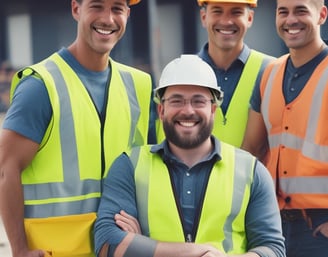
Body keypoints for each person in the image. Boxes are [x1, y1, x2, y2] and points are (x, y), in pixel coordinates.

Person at [0, 0, 152, 256]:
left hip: (119, 248)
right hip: (54, 251)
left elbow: (145, 169)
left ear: (128, 14)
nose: (108, 18)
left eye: (117, 8)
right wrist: (19, 249)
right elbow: (6, 169)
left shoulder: (138, 85)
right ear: (75, 9)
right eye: (97, 6)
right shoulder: (41, 85)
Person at [94, 54, 286, 257]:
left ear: (213, 109)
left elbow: (272, 249)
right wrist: (197, 252)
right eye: (177, 101)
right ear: (161, 110)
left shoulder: (250, 171)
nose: (188, 111)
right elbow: (107, 243)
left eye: (198, 101)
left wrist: (142, 246)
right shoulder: (130, 166)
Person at [241, 0, 328, 256]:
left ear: (321, 15)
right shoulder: (268, 74)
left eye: (301, 10)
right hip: (274, 228)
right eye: (283, 12)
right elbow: (250, 150)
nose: (291, 20)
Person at [150, 0, 274, 148]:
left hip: (254, 171)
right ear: (203, 17)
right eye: (217, 11)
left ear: (249, 18)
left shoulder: (272, 71)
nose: (226, 21)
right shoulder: (177, 75)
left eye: (236, 12)